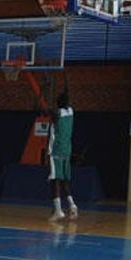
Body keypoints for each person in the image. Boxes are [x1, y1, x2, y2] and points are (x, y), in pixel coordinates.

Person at [48, 92, 78, 221]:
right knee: (65, 180)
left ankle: (58, 210)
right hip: (67, 150)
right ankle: (72, 205)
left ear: (58, 103)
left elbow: (38, 107)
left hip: (56, 150)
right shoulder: (71, 111)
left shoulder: (57, 113)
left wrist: (43, 91)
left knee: (55, 181)